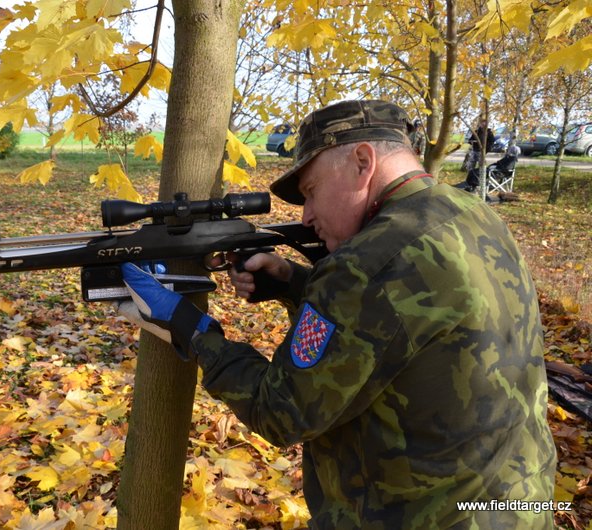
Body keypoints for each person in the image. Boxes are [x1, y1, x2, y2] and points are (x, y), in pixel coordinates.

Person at [117, 100, 557, 529]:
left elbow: (280, 412)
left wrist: (191, 328)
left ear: (363, 162)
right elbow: (403, 319)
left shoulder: (367, 264)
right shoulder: (473, 213)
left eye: (311, 191)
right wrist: (292, 281)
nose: (307, 215)